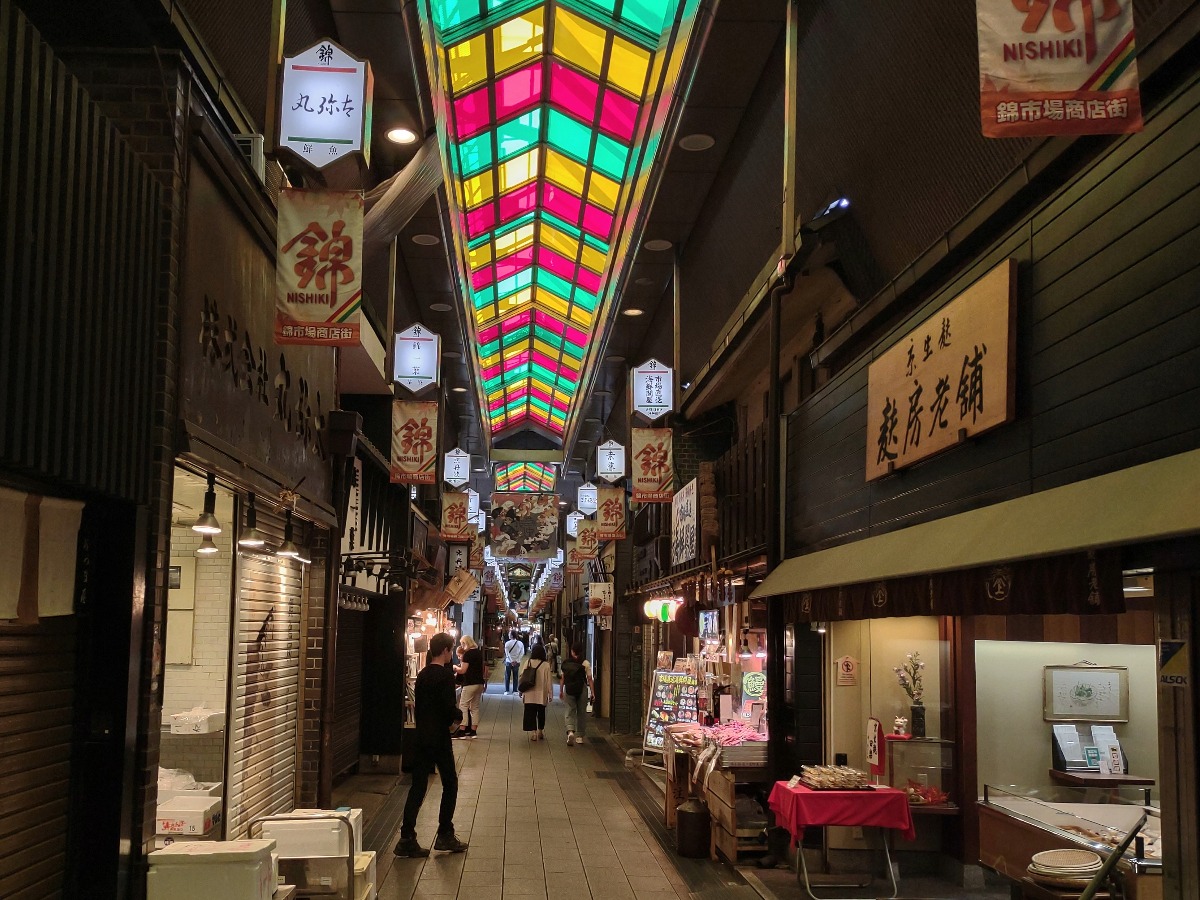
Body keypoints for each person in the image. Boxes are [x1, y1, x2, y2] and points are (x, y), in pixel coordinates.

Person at [393, 633, 469, 857]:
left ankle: (406, 838)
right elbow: (447, 709)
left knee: (418, 786)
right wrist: (457, 716)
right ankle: (445, 833)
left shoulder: (423, 674)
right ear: (445, 650)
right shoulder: (445, 676)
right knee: (450, 783)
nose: (451, 654)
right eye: (451, 649)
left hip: (421, 736)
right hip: (438, 738)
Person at [559, 642, 595, 746]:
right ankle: (580, 736)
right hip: (582, 689)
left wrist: (561, 691)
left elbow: (563, 679)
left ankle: (570, 731)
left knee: (570, 710)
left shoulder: (566, 663)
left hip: (569, 688)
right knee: (581, 712)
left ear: (572, 651)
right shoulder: (585, 663)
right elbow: (590, 679)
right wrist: (593, 692)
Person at [453, 635, 486, 739]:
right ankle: (473, 731)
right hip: (479, 683)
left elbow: (463, 670)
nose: (462, 646)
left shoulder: (468, 654)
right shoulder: (478, 652)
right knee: (475, 707)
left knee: (463, 705)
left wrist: (454, 668)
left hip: (470, 683)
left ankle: (462, 730)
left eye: (462, 644)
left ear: (465, 643)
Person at [519, 644, 552, 741]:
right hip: (541, 694)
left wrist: (520, 690)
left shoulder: (528, 662)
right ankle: (540, 731)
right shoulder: (546, 665)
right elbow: (549, 680)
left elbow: (522, 677)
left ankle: (533, 733)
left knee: (530, 713)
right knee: (541, 713)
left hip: (529, 693)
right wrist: (550, 694)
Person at [503, 630, 524, 694]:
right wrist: (517, 660)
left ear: (512, 635)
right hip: (517, 662)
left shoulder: (507, 643)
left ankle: (507, 690)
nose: (508, 635)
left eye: (509, 633)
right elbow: (522, 653)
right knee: (515, 677)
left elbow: (507, 654)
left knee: (507, 676)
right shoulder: (520, 643)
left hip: (508, 662)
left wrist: (511, 661)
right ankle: (515, 691)